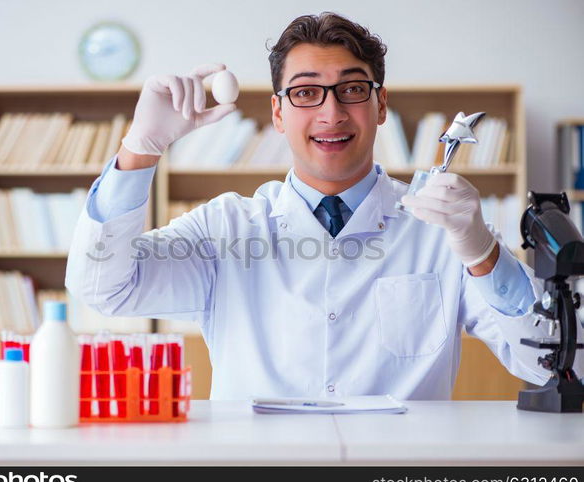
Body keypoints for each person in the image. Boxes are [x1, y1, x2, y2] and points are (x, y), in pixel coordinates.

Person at [66, 12, 580, 400]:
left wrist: (483, 253)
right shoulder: (224, 228)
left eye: (352, 89)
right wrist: (139, 149)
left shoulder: (445, 230)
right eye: (307, 92)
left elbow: (558, 367)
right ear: (278, 112)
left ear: (381, 106)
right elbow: (103, 289)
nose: (331, 113)